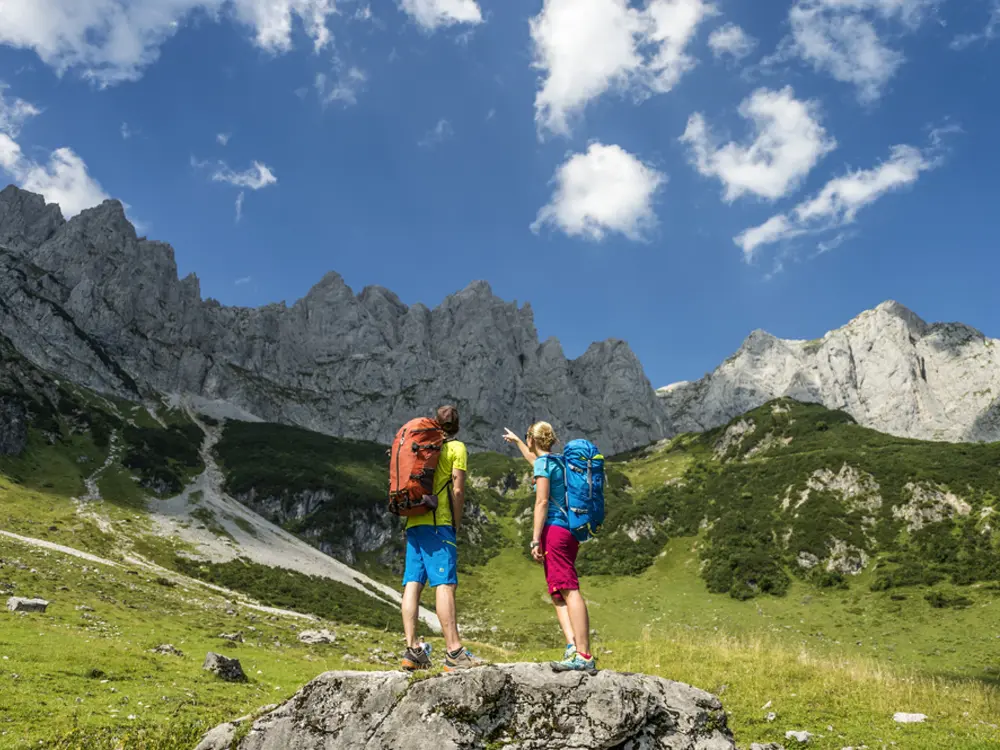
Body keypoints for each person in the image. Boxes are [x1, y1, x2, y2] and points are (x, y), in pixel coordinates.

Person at [503, 423, 597, 674]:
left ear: (533, 440)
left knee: (568, 588)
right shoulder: (558, 462)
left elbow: (542, 501)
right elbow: (533, 459)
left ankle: (584, 654)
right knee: (557, 591)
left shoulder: (544, 465)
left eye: (527, 439)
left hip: (554, 531)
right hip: (570, 532)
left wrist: (535, 539)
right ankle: (572, 646)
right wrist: (518, 443)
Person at [400, 405, 483, 672]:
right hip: (439, 523)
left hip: (414, 521)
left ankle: (413, 651)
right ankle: (454, 652)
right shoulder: (457, 449)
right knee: (444, 584)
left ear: (435, 423)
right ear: (457, 426)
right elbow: (457, 491)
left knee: (413, 583)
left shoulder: (421, 445)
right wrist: (456, 522)